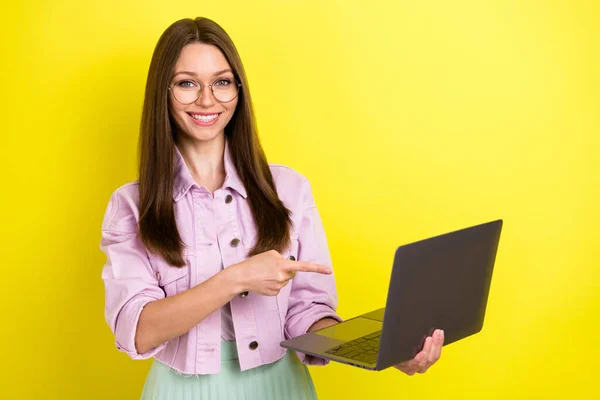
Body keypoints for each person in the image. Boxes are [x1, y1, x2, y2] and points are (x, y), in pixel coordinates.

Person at [100, 17, 444, 399]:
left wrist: (380, 351)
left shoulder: (289, 189)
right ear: (162, 93)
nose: (207, 99)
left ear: (238, 90)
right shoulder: (132, 206)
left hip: (282, 386)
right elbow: (137, 329)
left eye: (222, 82)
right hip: (182, 391)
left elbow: (306, 312)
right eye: (186, 83)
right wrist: (237, 278)